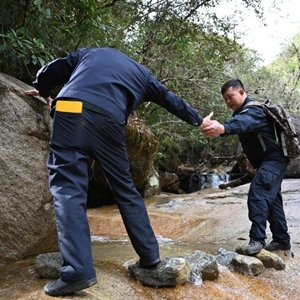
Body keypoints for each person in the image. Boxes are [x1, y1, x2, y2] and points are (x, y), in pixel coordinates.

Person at [25, 47, 212, 296]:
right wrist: (199, 121)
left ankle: (77, 271)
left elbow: (54, 68)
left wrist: (42, 89)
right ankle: (150, 258)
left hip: (71, 110)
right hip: (110, 122)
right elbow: (171, 100)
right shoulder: (144, 75)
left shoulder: (92, 53)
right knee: (125, 189)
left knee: (68, 190)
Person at [200, 79, 291, 256]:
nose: (228, 102)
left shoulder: (253, 110)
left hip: (275, 159)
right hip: (266, 161)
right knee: (272, 200)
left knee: (258, 193)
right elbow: (252, 136)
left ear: (241, 92)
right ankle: (282, 239)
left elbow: (244, 123)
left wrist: (223, 127)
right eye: (225, 99)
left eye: (230, 96)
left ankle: (257, 239)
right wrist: (252, 159)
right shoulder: (242, 113)